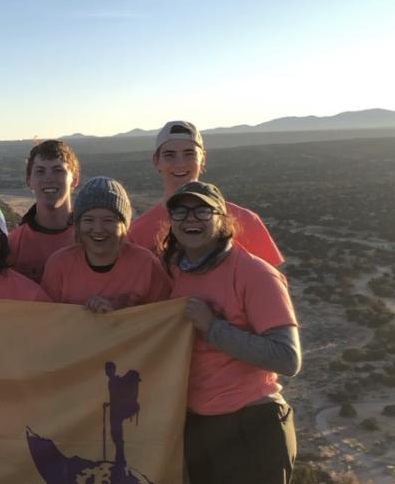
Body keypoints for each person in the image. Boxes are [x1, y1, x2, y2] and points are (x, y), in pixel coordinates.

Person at [163, 181, 300, 483]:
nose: (190, 219)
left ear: (223, 219)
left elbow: (287, 358)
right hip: (199, 427)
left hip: (252, 425)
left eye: (202, 211)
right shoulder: (176, 271)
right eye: (181, 212)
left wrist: (212, 327)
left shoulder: (256, 273)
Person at [127, 121, 283, 266]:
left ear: (203, 159)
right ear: (156, 161)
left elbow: (274, 283)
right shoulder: (136, 233)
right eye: (169, 155)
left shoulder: (246, 221)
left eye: (190, 154)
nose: (180, 163)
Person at [41, 177, 171, 311]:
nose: (98, 229)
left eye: (108, 220)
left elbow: (164, 317)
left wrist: (119, 311)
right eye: (89, 220)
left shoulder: (146, 264)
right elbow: (49, 320)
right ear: (77, 225)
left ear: (124, 225)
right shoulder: (59, 265)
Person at [8, 140, 81, 284]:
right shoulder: (12, 245)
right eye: (40, 171)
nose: (49, 178)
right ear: (29, 181)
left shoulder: (93, 238)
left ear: (74, 180)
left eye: (58, 170)